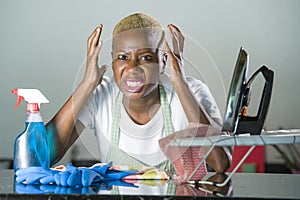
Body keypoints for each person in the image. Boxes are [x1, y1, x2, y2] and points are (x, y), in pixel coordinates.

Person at [46, 13, 231, 174]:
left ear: (164, 62)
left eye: (146, 58)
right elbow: (45, 156)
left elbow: (220, 162)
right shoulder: (100, 93)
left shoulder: (193, 92)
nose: (132, 69)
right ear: (112, 61)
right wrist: (87, 84)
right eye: (123, 57)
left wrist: (180, 83)